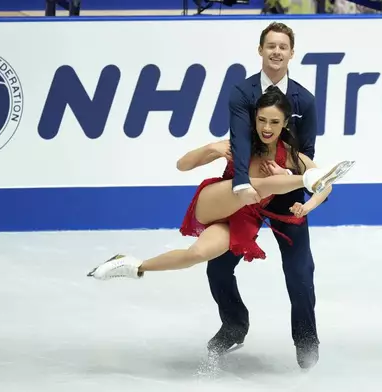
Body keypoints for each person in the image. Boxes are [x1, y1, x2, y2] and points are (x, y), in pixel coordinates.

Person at [86, 86, 354, 281]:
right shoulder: (240, 143)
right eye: (262, 120)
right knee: (266, 184)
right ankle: (303, 179)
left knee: (197, 254)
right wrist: (211, 149)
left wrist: (308, 208)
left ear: (284, 124)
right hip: (217, 200)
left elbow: (327, 185)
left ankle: (132, 265)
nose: (267, 127)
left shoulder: (293, 155)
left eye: (274, 122)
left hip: (244, 217)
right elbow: (182, 165)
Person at [206, 22, 323, 369]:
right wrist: (243, 185)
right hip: (249, 191)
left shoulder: (305, 100)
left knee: (300, 273)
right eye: (270, 45)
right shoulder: (242, 93)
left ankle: (306, 341)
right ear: (260, 50)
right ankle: (234, 324)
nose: (276, 52)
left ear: (291, 53)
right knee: (218, 266)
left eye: (282, 47)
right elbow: (241, 141)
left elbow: (309, 151)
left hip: (286, 193)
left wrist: (293, 178)